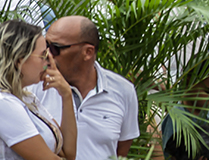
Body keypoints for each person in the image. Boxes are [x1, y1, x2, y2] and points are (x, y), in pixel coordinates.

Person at [34, 16, 137, 160]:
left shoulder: (123, 90)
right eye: (46, 45)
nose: (48, 54)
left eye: (56, 48)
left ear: (88, 52)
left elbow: (121, 150)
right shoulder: (34, 85)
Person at [0, 19, 77, 160]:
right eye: (43, 56)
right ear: (19, 60)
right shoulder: (4, 103)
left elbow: (67, 153)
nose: (48, 63)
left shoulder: (27, 98)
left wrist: (66, 95)